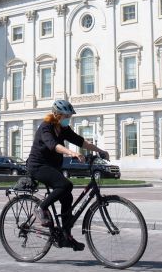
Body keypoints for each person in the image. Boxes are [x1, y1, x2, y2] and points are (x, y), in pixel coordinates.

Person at [26, 99, 109, 251]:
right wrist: (71, 152)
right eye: (66, 116)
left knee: (68, 196)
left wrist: (100, 151)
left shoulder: (63, 129)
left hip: (52, 166)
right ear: (57, 115)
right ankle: (40, 208)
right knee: (65, 185)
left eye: (69, 116)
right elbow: (54, 145)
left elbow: (81, 141)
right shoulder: (46, 127)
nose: (68, 119)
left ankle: (66, 236)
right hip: (38, 166)